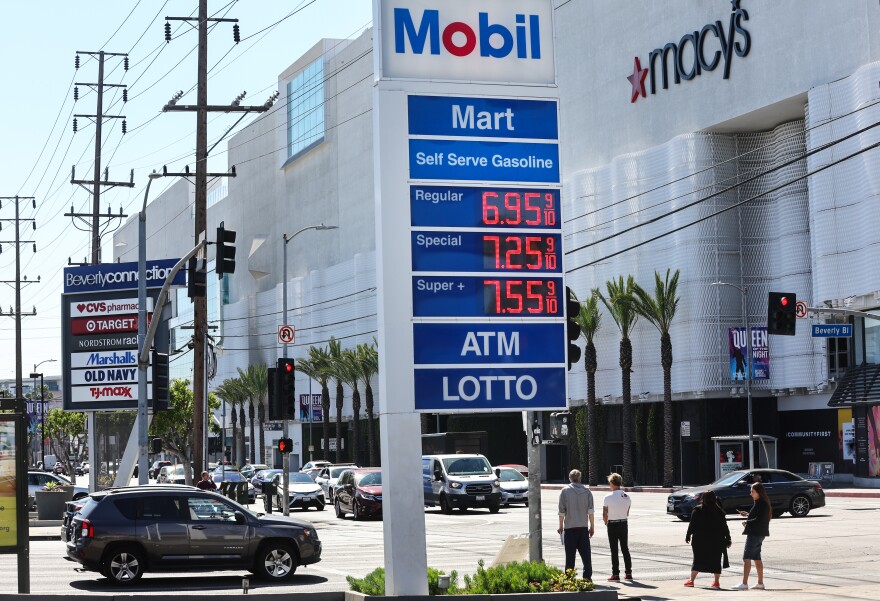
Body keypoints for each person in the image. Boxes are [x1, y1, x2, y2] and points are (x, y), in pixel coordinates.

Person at [684, 490, 731, 589]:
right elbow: (724, 527)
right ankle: (716, 582)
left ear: (703, 499)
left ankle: (691, 581)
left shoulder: (697, 510)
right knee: (716, 560)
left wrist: (688, 535)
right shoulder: (719, 511)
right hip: (717, 540)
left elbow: (692, 525)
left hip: (700, 540)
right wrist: (728, 538)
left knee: (698, 560)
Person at [557, 469, 595, 580]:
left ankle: (569, 579)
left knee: (570, 557)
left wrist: (560, 526)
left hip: (569, 528)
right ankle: (587, 578)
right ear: (580, 479)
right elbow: (590, 512)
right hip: (583, 528)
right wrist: (592, 526)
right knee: (586, 557)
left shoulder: (564, 491)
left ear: (570, 479)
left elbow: (561, 512)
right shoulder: (587, 491)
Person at [733, 482, 771, 590]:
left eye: (752, 491)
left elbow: (759, 519)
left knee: (747, 558)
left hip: (755, 534)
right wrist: (748, 515)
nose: (751, 494)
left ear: (759, 492)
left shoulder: (762, 503)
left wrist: (747, 522)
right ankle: (760, 583)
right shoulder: (760, 502)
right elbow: (758, 517)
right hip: (758, 533)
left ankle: (744, 583)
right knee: (756, 558)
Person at [603, 472, 632, 581]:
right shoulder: (627, 497)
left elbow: (605, 514)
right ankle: (628, 572)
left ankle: (615, 574)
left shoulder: (607, 497)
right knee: (625, 548)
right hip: (624, 523)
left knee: (614, 550)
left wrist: (606, 522)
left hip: (612, 524)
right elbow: (627, 512)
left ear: (612, 483)